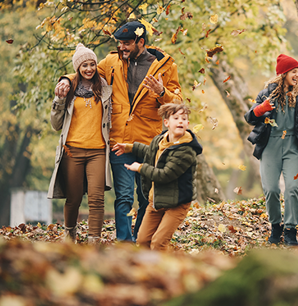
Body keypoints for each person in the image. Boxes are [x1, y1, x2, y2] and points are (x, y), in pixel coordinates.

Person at [55, 21, 183, 242]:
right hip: (118, 141)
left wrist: (161, 91)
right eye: (120, 43)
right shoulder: (112, 62)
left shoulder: (165, 66)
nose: (122, 48)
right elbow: (86, 72)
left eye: (126, 43)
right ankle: (125, 242)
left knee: (145, 197)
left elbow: (178, 102)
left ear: (140, 42)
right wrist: (66, 79)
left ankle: (141, 240)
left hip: (148, 142)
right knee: (124, 196)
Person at [245, 54, 298, 246]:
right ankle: (276, 226)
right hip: (270, 145)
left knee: (293, 188)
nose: (297, 75)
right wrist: (261, 109)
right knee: (271, 189)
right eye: (293, 72)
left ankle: (290, 229)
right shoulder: (266, 93)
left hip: (292, 146)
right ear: (283, 74)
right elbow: (249, 117)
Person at [111, 102, 202, 250]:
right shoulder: (160, 140)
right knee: (142, 241)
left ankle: (168, 271)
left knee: (158, 243)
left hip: (177, 203)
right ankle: (148, 270)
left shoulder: (186, 151)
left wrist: (140, 167)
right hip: (157, 200)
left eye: (184, 119)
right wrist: (130, 147)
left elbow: (164, 175)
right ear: (166, 122)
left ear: (188, 123)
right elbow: (152, 152)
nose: (180, 121)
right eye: (176, 118)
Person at [48, 43, 112, 244]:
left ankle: (94, 240)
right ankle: (70, 236)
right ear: (77, 68)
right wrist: (59, 100)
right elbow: (56, 125)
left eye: (92, 64)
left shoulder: (104, 88)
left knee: (96, 198)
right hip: (72, 151)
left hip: (98, 151)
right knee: (73, 198)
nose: (89, 69)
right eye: (84, 65)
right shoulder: (68, 88)